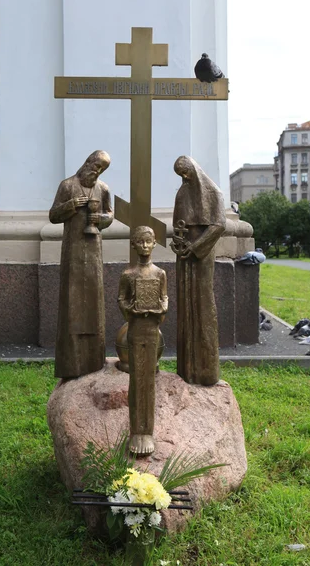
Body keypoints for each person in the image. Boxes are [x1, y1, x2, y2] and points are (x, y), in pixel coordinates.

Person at [49, 150, 113, 378]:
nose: (97, 172)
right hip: (73, 252)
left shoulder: (103, 189)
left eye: (101, 169)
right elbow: (53, 215)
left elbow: (109, 215)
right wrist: (72, 205)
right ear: (87, 162)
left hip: (94, 252)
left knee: (94, 303)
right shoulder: (67, 186)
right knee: (73, 304)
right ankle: (73, 364)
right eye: (95, 166)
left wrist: (101, 219)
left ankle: (94, 361)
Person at [171, 155, 226, 385]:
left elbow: (218, 225)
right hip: (185, 257)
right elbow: (178, 227)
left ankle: (205, 370)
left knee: (203, 304)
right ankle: (187, 369)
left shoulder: (213, 193)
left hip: (202, 256)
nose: (184, 178)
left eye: (186, 173)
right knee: (185, 305)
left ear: (194, 169)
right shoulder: (182, 193)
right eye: (181, 175)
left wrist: (196, 247)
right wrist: (179, 244)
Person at [118, 226, 168, 455]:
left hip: (152, 329)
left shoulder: (160, 274)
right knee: (137, 378)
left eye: (149, 242)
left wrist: (160, 308)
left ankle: (148, 429)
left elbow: (164, 298)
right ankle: (136, 431)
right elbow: (121, 300)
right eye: (140, 242)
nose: (145, 246)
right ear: (133, 245)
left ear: (155, 243)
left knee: (149, 378)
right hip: (136, 329)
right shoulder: (128, 275)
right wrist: (134, 308)